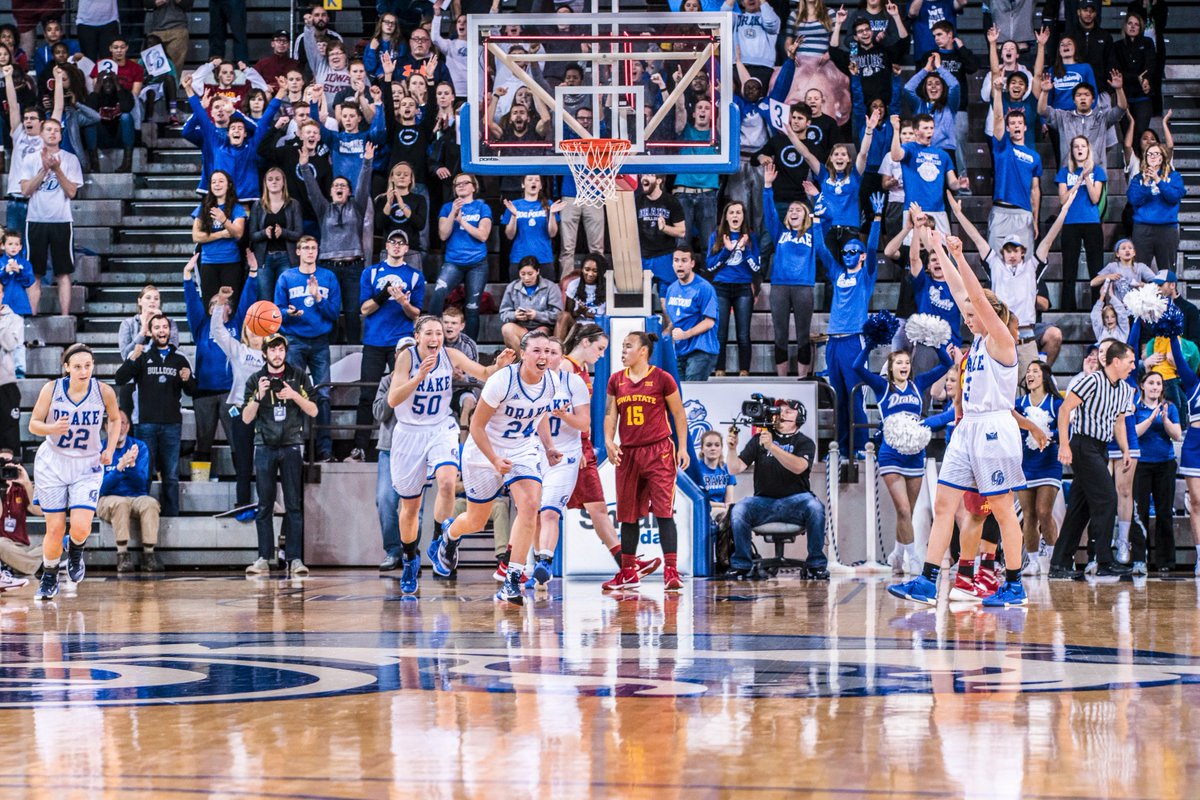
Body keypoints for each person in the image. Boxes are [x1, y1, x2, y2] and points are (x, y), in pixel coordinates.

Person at [890, 229, 1030, 607]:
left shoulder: (1001, 339)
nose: (968, 319)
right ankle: (927, 581)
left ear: (991, 313)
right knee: (943, 506)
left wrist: (960, 255)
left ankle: (1014, 584)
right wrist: (936, 245)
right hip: (967, 428)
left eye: (973, 314)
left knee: (1001, 510)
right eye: (966, 315)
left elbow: (973, 294)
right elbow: (958, 290)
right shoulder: (978, 343)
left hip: (995, 429)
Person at [431, 331, 562, 606]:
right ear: (523, 354)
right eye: (537, 351)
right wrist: (493, 460)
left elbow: (540, 416)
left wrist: (548, 447)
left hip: (521, 449)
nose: (544, 357)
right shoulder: (502, 381)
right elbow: (476, 427)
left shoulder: (551, 380)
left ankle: (512, 579)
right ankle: (450, 534)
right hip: (483, 450)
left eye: (548, 352)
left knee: (530, 504)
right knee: (476, 520)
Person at [945, 183, 1078, 377]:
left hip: (1026, 335)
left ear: (1023, 252)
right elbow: (976, 238)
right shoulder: (996, 265)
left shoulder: (1031, 267)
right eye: (1008, 250)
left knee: (1031, 386)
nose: (1012, 254)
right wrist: (958, 214)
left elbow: (1049, 239)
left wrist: (1064, 211)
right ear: (1003, 252)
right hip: (1000, 334)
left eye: (1016, 250)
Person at [28, 344, 122, 600]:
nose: (83, 371)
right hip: (53, 463)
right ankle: (49, 577)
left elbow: (114, 420)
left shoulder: (103, 392)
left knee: (80, 527)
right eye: (78, 366)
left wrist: (110, 448)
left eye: (88, 366)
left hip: (86, 465)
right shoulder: (52, 389)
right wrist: (52, 428)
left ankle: (76, 547)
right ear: (67, 368)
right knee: (55, 529)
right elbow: (33, 424)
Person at [602, 331, 690, 592]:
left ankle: (671, 571)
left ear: (643, 351)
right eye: (622, 346)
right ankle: (628, 572)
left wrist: (682, 448)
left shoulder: (662, 378)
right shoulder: (616, 380)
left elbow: (679, 414)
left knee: (664, 512)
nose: (623, 351)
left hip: (659, 450)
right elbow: (610, 414)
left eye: (628, 346)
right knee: (627, 515)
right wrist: (608, 441)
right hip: (628, 453)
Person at [854, 343, 953, 573]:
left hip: (915, 454)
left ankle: (897, 554)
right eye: (899, 362)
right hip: (890, 454)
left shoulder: (918, 385)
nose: (904, 366)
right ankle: (913, 558)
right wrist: (869, 343)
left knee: (907, 509)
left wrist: (936, 344)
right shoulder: (882, 387)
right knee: (904, 509)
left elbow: (947, 365)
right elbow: (857, 366)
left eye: (907, 363)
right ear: (890, 367)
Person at [1050, 341, 1138, 578]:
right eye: (1130, 361)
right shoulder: (1092, 381)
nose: (1133, 366)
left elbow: (1119, 421)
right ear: (1116, 361)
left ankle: (1059, 564)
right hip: (1082, 444)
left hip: (1100, 448)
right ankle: (1103, 560)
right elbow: (1065, 410)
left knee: (1080, 508)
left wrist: (1126, 450)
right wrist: (1065, 444)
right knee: (1108, 498)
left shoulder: (1123, 389)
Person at [722, 399, 827, 580]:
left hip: (796, 500)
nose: (783, 414)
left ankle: (816, 564)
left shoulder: (805, 442)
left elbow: (799, 467)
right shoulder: (759, 439)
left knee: (816, 508)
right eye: (780, 410)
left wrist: (772, 447)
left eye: (789, 411)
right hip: (764, 502)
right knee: (739, 509)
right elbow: (735, 468)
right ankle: (741, 564)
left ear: (799, 417)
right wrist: (731, 449)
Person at [242, 333, 318, 575]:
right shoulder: (255, 379)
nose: (277, 354)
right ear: (264, 353)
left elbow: (314, 410)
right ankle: (263, 557)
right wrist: (258, 397)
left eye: (281, 350)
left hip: (291, 445)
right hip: (264, 445)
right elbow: (245, 417)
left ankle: (295, 559)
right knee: (265, 504)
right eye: (272, 350)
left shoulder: (298, 375)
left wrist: (294, 395)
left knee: (294, 504)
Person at [349, 229, 424, 463]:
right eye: (393, 241)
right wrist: (383, 296)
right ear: (387, 247)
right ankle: (359, 448)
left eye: (401, 243)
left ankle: (406, 445)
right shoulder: (371, 273)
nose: (397, 246)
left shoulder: (414, 276)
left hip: (401, 343)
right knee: (367, 394)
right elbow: (363, 309)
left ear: (406, 248)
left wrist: (402, 302)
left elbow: (416, 314)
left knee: (403, 394)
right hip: (374, 340)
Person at [524, 337, 592, 589]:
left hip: (564, 454)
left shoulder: (573, 383)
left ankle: (545, 561)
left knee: (550, 511)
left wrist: (565, 415)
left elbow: (584, 424)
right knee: (532, 512)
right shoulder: (527, 381)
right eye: (543, 352)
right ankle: (535, 559)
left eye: (553, 352)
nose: (548, 357)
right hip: (532, 452)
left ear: (562, 358)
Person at [183, 253, 257, 482]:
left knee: (237, 437)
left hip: (230, 394)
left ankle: (242, 480)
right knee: (203, 438)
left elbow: (247, 300)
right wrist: (187, 277)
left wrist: (253, 273)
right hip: (204, 392)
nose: (218, 306)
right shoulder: (201, 326)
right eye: (214, 303)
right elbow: (191, 302)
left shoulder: (237, 324)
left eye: (222, 303)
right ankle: (200, 482)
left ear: (230, 310)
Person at [114, 313, 197, 517]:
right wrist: (132, 358)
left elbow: (192, 391)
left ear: (170, 331)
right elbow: (119, 378)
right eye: (157, 327)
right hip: (146, 425)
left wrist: (188, 380)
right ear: (150, 332)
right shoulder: (142, 356)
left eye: (165, 327)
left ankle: (172, 517)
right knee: (144, 473)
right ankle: (143, 515)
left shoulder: (180, 359)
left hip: (171, 425)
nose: (161, 331)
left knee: (171, 476)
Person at [824, 192, 884, 456]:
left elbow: (871, 248)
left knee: (854, 394)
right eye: (846, 251)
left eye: (854, 251)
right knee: (838, 396)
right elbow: (820, 250)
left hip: (854, 339)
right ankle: (841, 447)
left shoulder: (866, 274)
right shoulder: (837, 273)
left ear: (860, 257)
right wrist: (816, 222)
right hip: (833, 340)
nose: (849, 254)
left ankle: (860, 446)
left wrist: (877, 219)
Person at [762, 163, 833, 378]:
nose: (793, 212)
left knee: (803, 335)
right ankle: (782, 380)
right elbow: (769, 213)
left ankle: (803, 379)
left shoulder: (813, 234)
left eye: (798, 210)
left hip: (804, 287)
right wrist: (767, 186)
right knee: (780, 334)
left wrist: (816, 196)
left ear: (806, 215)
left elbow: (828, 217)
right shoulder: (779, 232)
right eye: (791, 210)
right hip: (780, 287)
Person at [274, 235, 341, 463]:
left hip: (320, 340)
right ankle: (294, 446)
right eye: (306, 248)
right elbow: (277, 313)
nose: (310, 251)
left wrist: (318, 298)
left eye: (313, 248)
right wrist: (288, 314)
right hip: (294, 340)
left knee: (323, 394)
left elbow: (334, 313)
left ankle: (324, 450)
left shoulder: (328, 277)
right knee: (292, 394)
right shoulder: (287, 277)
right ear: (298, 252)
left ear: (318, 251)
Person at [301, 143, 373, 344]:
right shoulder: (323, 209)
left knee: (351, 312)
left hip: (353, 267)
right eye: (336, 186)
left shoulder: (357, 207)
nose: (339, 187)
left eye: (343, 185)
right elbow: (312, 190)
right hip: (328, 267)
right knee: (329, 309)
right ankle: (329, 346)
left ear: (349, 191)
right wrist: (305, 167)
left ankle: (353, 349)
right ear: (331, 192)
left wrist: (367, 162)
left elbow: (364, 185)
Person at [209, 289, 265, 522]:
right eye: (251, 328)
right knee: (243, 462)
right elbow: (217, 330)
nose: (254, 333)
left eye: (259, 329)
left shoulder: (272, 356)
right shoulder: (238, 350)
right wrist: (221, 302)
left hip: (266, 413)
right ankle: (242, 503)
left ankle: (266, 502)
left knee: (264, 462)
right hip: (241, 410)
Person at [18, 116, 80, 316]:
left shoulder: (70, 159)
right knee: (35, 273)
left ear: (61, 135)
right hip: (36, 219)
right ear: (41, 134)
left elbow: (72, 192)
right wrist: (43, 171)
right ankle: (31, 315)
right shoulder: (30, 158)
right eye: (49, 130)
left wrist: (57, 169)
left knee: (63, 272)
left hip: (61, 220)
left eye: (56, 130)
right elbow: (26, 190)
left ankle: (64, 317)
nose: (53, 133)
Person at [428, 173, 492, 340]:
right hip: (453, 262)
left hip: (477, 263)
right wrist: (453, 214)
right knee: (438, 294)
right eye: (457, 184)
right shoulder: (447, 207)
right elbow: (443, 235)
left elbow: (483, 235)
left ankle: (470, 348)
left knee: (472, 307)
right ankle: (432, 337)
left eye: (465, 183)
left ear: (474, 187)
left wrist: (462, 222)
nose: (461, 186)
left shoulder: (482, 207)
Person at [96, 411, 162, 573]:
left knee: (150, 503)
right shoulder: (99, 449)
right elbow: (100, 488)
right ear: (106, 426)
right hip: (107, 499)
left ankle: (149, 555)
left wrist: (131, 466)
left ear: (128, 426)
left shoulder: (139, 447)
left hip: (135, 496)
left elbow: (142, 485)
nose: (120, 427)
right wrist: (119, 468)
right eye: (115, 422)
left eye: (124, 423)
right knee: (121, 503)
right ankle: (122, 555)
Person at [1015, 361, 1063, 577]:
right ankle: (1033, 561)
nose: (1030, 375)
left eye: (1035, 371)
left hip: (1049, 463)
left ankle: (1054, 559)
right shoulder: (1019, 404)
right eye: (1028, 371)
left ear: (1044, 376)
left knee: (1044, 511)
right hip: (1026, 464)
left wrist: (1051, 436)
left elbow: (1064, 431)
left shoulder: (1056, 403)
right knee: (1029, 515)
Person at [1132, 371, 1181, 574]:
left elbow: (1177, 435)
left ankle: (1165, 561)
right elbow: (1133, 432)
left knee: (1164, 512)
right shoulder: (1135, 407)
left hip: (1165, 464)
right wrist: (1151, 419)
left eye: (1158, 383)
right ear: (1143, 386)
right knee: (1139, 512)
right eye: (1151, 383)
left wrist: (1165, 420)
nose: (1155, 387)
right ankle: (1139, 560)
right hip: (1141, 464)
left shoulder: (1170, 407)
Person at [706, 200, 761, 376]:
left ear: (743, 216)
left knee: (743, 334)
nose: (735, 216)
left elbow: (756, 268)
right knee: (720, 333)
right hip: (721, 287)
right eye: (731, 212)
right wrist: (727, 251)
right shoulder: (717, 236)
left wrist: (744, 249)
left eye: (738, 212)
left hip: (743, 288)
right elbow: (709, 266)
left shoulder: (750, 237)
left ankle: (744, 370)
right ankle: (719, 369)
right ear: (726, 217)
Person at [1057, 135, 1107, 311]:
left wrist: (1086, 177)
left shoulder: (1098, 171)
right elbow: (1063, 200)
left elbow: (1095, 198)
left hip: (1092, 223)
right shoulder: (1065, 172)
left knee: (1096, 267)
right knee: (1069, 267)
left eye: (1083, 146)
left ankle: (1098, 307)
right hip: (1071, 223)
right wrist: (1078, 180)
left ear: (1088, 149)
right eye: (1076, 146)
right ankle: (1068, 308)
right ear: (1072, 150)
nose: (1079, 149)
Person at [663, 247, 720, 382]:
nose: (680, 264)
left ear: (692, 264)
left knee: (692, 391)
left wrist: (685, 334)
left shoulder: (704, 288)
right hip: (680, 350)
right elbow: (676, 321)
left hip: (701, 349)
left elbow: (709, 322)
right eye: (676, 260)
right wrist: (666, 332)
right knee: (680, 394)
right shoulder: (671, 289)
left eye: (684, 260)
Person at [190, 170, 248, 301]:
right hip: (208, 263)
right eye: (213, 182)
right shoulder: (203, 207)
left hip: (231, 262)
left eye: (221, 181)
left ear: (229, 185)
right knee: (209, 305)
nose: (217, 184)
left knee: (230, 305)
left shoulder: (237, 208)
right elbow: (196, 236)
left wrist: (224, 220)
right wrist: (221, 234)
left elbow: (238, 233)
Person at [1127, 142, 1185, 274]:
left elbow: (1174, 197)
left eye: (1156, 154)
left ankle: (1168, 295)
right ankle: (1141, 295)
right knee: (1139, 272)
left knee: (1167, 272)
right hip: (1142, 229)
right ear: (1145, 157)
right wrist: (1146, 183)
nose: (1152, 157)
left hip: (1167, 229)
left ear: (1162, 157)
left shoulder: (1174, 176)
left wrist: (1158, 180)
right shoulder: (1138, 178)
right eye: (1149, 154)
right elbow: (1134, 200)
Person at [249, 167, 302, 303]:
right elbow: (252, 235)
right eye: (270, 179)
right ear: (265, 183)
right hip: (264, 259)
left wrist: (283, 232)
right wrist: (264, 233)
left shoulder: (293, 204)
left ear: (284, 182)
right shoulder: (258, 205)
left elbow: (299, 234)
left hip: (286, 257)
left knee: (284, 299)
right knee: (265, 299)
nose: (274, 182)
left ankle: (284, 325)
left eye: (278, 179)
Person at [498, 256, 563, 352]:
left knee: (539, 335)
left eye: (530, 274)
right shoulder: (512, 287)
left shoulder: (550, 287)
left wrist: (537, 315)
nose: (526, 278)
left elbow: (557, 314)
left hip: (542, 327)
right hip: (521, 327)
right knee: (507, 328)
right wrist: (515, 315)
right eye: (522, 274)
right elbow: (503, 313)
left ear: (537, 271)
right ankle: (521, 360)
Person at [635, 174, 687, 289]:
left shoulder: (671, 202)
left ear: (659, 180)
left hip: (665, 256)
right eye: (643, 175)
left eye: (649, 175)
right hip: (642, 257)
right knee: (642, 300)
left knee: (667, 300)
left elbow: (682, 232)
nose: (644, 178)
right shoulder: (636, 201)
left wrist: (664, 228)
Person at [0, 448, 40, 587]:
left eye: (10, 462)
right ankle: (39, 567)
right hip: (3, 544)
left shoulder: (21, 488)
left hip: (22, 548)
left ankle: (17, 565)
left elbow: (38, 510)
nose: (6, 466)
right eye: (2, 462)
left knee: (50, 544)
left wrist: (27, 482)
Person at [557, 253, 607, 341]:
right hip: (578, 327)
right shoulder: (573, 285)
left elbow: (611, 316)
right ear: (582, 269)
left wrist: (592, 316)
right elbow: (569, 313)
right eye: (587, 269)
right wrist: (579, 311)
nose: (590, 274)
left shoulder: (609, 287)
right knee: (563, 315)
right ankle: (556, 349)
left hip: (598, 326)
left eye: (595, 271)